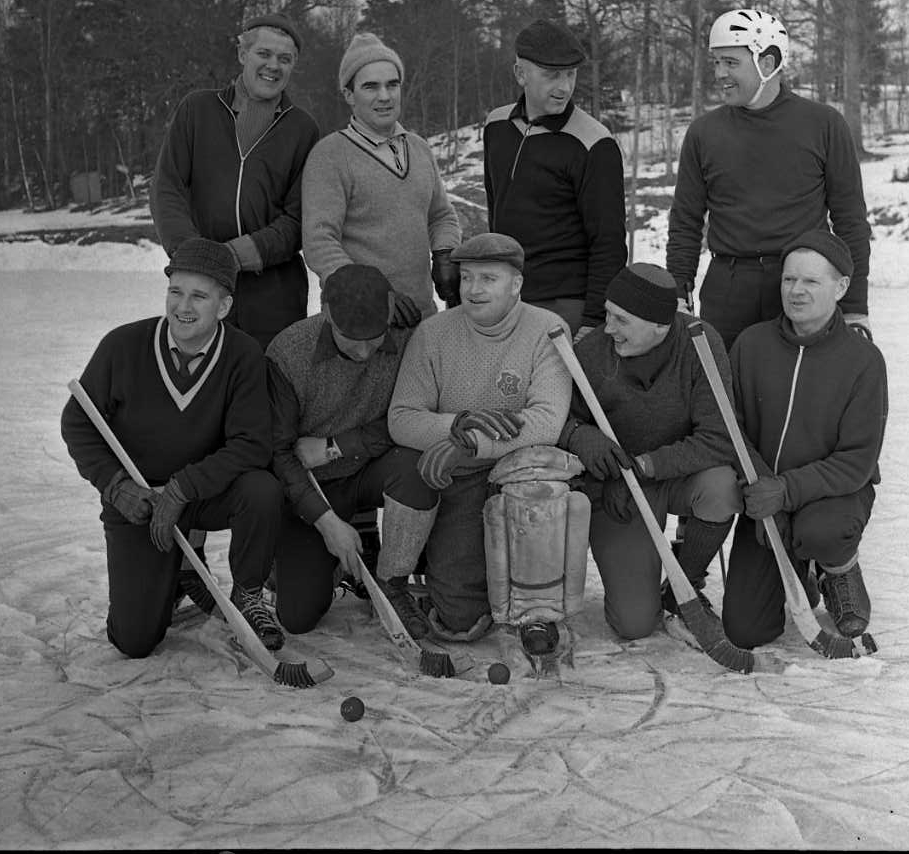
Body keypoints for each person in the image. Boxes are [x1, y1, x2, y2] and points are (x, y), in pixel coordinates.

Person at [60, 237, 285, 658]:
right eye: (175, 291)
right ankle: (176, 576)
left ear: (223, 306)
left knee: (261, 490)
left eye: (199, 296)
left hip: (202, 495)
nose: (183, 306)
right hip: (139, 502)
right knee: (135, 640)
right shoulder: (122, 346)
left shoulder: (243, 355)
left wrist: (183, 488)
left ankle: (249, 595)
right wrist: (116, 487)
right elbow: (77, 422)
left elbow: (251, 445)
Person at [387, 233, 572, 641]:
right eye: (467, 277)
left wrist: (473, 440)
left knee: (538, 491)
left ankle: (536, 608)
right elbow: (401, 418)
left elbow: (547, 420)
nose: (473, 289)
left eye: (488, 279)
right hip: (458, 478)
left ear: (516, 284)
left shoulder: (547, 330)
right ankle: (440, 571)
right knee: (459, 622)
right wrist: (458, 428)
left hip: (519, 477)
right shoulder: (433, 333)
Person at [666, 8, 873, 352]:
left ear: (768, 61)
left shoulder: (823, 125)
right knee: (724, 398)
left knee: (802, 399)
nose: (720, 74)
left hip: (799, 286)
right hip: (727, 290)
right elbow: (685, 222)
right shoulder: (704, 133)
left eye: (731, 63)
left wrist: (854, 306)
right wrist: (677, 292)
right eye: (716, 63)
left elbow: (851, 221)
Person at [721, 229, 888, 649]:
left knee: (821, 530)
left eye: (811, 281)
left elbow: (856, 462)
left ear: (841, 286)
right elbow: (732, 429)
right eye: (788, 280)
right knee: (746, 630)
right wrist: (762, 489)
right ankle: (800, 574)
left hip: (834, 498)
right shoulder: (751, 345)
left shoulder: (863, 361)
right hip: (767, 500)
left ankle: (839, 570)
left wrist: (786, 490)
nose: (796, 291)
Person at [558, 263, 741, 641]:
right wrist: (579, 436)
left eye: (621, 320)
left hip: (673, 473)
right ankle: (646, 588)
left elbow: (719, 437)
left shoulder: (700, 344)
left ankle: (683, 584)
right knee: (635, 624)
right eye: (608, 314)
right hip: (617, 489)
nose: (608, 328)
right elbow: (555, 420)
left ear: (660, 325)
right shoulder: (592, 352)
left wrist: (648, 465)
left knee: (722, 488)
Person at [264, 263, 437, 639]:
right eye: (349, 337)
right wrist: (327, 524)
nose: (363, 350)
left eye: (373, 337)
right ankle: (298, 562)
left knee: (418, 467)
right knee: (298, 617)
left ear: (390, 311)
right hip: (310, 489)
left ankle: (393, 581)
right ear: (325, 312)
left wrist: (335, 447)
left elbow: (408, 418)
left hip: (368, 470)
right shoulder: (288, 352)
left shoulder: (410, 339)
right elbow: (279, 453)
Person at [150, 11, 320, 351]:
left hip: (274, 294)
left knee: (269, 393)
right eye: (264, 54)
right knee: (204, 389)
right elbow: (168, 188)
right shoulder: (197, 110)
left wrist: (238, 254)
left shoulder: (302, 129)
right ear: (243, 54)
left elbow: (298, 217)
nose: (274, 65)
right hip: (202, 287)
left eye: (285, 59)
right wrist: (195, 257)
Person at [302, 32, 463, 326]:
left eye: (392, 84)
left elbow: (441, 216)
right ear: (349, 95)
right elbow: (319, 241)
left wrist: (444, 253)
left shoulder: (419, 147)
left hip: (423, 318)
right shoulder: (330, 155)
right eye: (370, 87)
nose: (385, 96)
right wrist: (371, 293)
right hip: (359, 325)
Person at [482, 18, 628, 342]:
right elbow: (496, 211)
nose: (564, 87)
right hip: (508, 300)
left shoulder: (594, 143)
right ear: (521, 74)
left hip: (567, 308)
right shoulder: (495, 126)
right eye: (551, 75)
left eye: (571, 74)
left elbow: (609, 243)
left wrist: (592, 322)